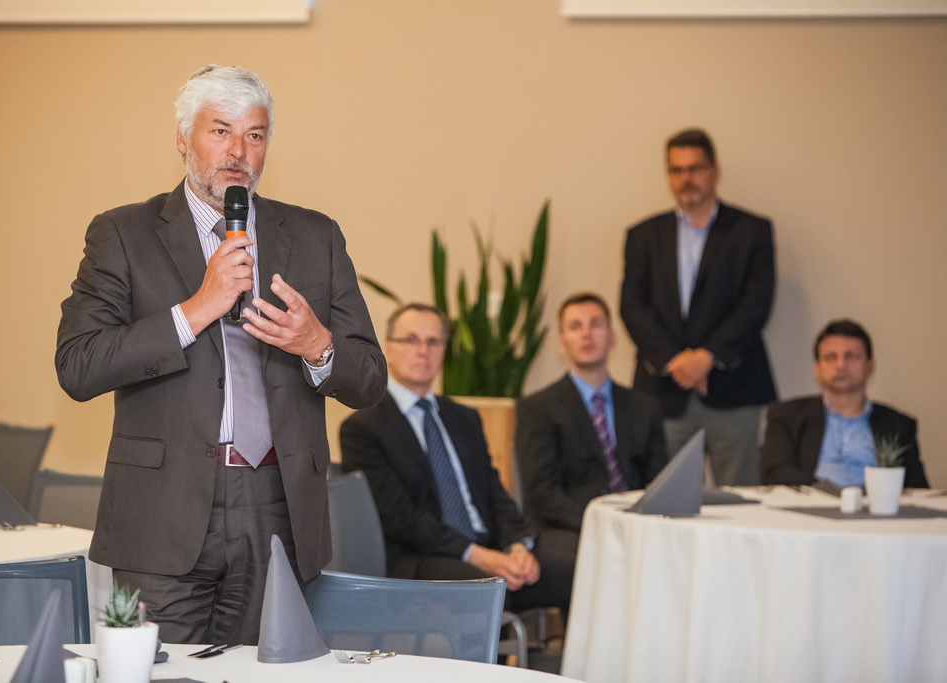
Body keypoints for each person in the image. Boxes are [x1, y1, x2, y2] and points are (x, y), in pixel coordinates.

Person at [55, 65, 386, 645]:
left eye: (254, 135)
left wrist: (317, 346)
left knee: (264, 674)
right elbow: (78, 365)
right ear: (183, 139)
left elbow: (370, 380)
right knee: (160, 674)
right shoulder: (124, 234)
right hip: (162, 510)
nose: (238, 152)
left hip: (278, 503)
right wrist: (195, 310)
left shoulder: (316, 236)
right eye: (220, 131)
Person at [340, 303, 574, 611]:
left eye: (433, 342)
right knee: (488, 591)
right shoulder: (364, 427)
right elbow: (400, 518)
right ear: (389, 349)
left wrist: (517, 547)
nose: (422, 351)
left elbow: (494, 493)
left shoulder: (464, 418)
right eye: (410, 340)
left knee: (577, 572)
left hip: (489, 545)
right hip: (420, 557)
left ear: (444, 351)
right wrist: (479, 556)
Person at [620, 128, 777, 486]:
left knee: (740, 503)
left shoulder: (752, 231)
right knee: (663, 501)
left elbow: (756, 303)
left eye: (694, 168)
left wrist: (707, 357)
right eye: (676, 170)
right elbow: (632, 305)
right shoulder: (643, 236)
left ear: (715, 170)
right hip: (663, 393)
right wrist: (676, 361)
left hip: (734, 389)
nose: (686, 179)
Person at [516, 293, 666, 555]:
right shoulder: (538, 408)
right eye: (575, 326)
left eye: (596, 324)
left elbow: (659, 481)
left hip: (636, 524)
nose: (587, 334)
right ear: (562, 342)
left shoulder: (645, 407)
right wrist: (601, 521)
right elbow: (541, 493)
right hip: (568, 528)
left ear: (612, 338)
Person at [761, 319, 928, 488]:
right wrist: (830, 492)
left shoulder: (897, 424)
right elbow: (776, 473)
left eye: (851, 356)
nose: (840, 365)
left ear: (870, 366)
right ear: (817, 367)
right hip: (813, 501)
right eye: (830, 357)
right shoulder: (787, 416)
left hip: (874, 502)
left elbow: (917, 488)